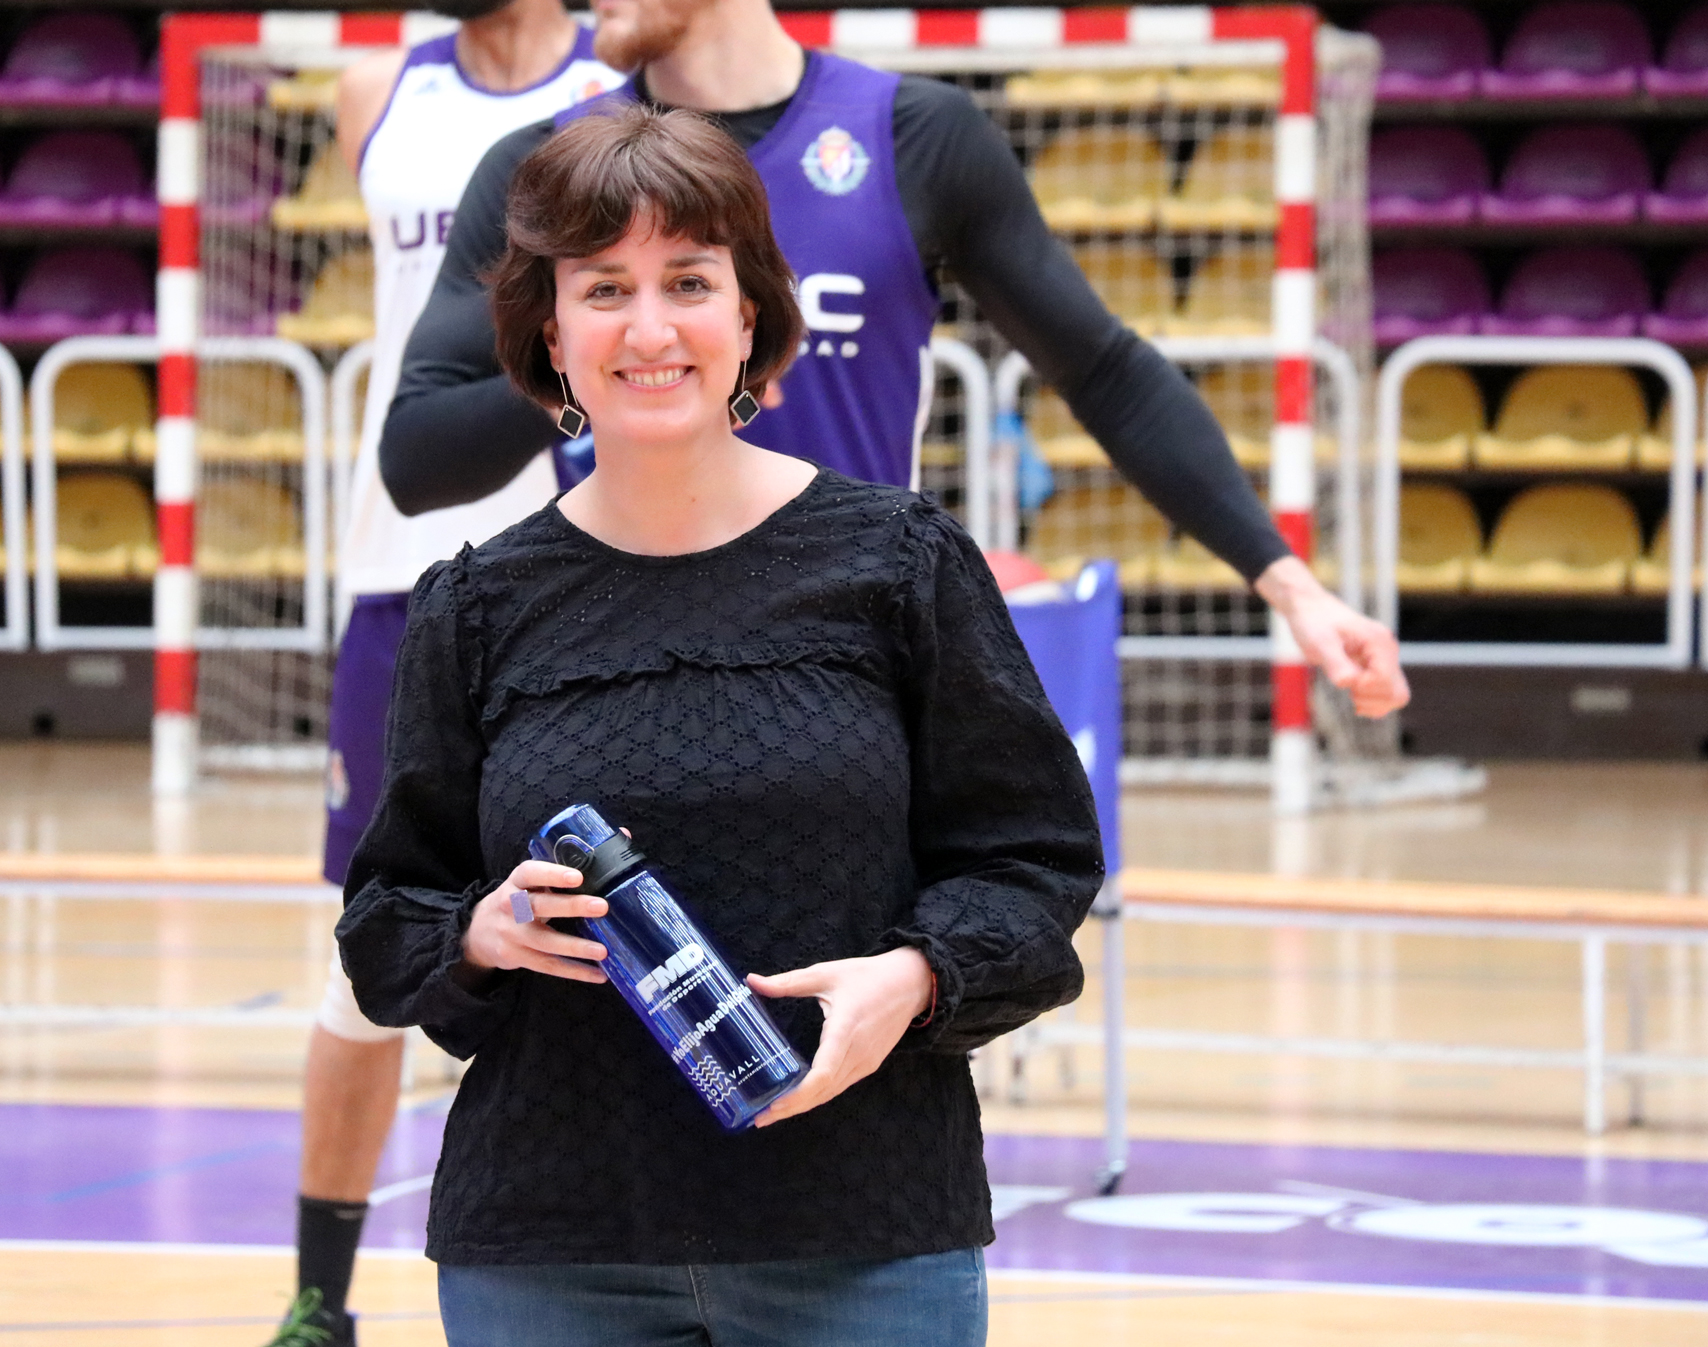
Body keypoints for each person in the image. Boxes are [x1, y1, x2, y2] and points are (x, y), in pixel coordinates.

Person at [338, 104, 1105, 1347]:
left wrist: (915, 977)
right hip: (551, 1248)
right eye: (604, 289)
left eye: (688, 282)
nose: (649, 329)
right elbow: (386, 918)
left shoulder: (899, 563)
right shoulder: (473, 607)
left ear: (749, 318)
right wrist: (479, 933)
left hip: (863, 1231)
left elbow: (1037, 863)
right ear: (551, 333)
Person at [380, 0, 1410, 721]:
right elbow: (415, 457)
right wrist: (613, 367)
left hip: (850, 664)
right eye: (613, 289)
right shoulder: (546, 168)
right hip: (612, 660)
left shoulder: (914, 134)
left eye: (690, 288)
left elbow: (1105, 372)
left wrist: (1293, 588)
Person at [270, 3, 621, 1343]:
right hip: (396, 562)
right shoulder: (377, 89)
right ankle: (319, 1303)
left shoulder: (619, 80)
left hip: (573, 561)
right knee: (365, 963)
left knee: (605, 931)